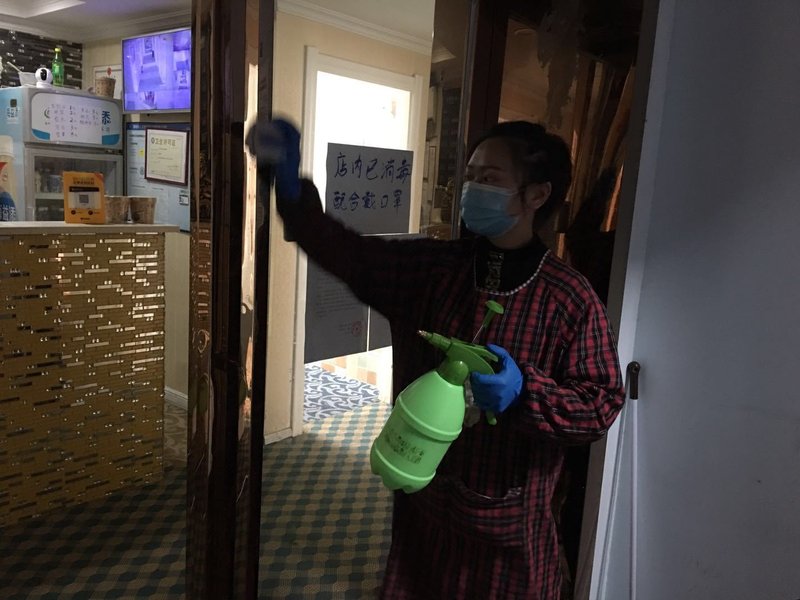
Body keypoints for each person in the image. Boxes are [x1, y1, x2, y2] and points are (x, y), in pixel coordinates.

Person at [248, 118, 625, 599]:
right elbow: (350, 255)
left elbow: (599, 405)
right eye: (470, 176)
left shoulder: (568, 298)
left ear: (537, 194)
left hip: (509, 529)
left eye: (490, 178)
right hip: (423, 507)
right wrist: (290, 190)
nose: (472, 188)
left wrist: (526, 393)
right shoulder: (435, 269)